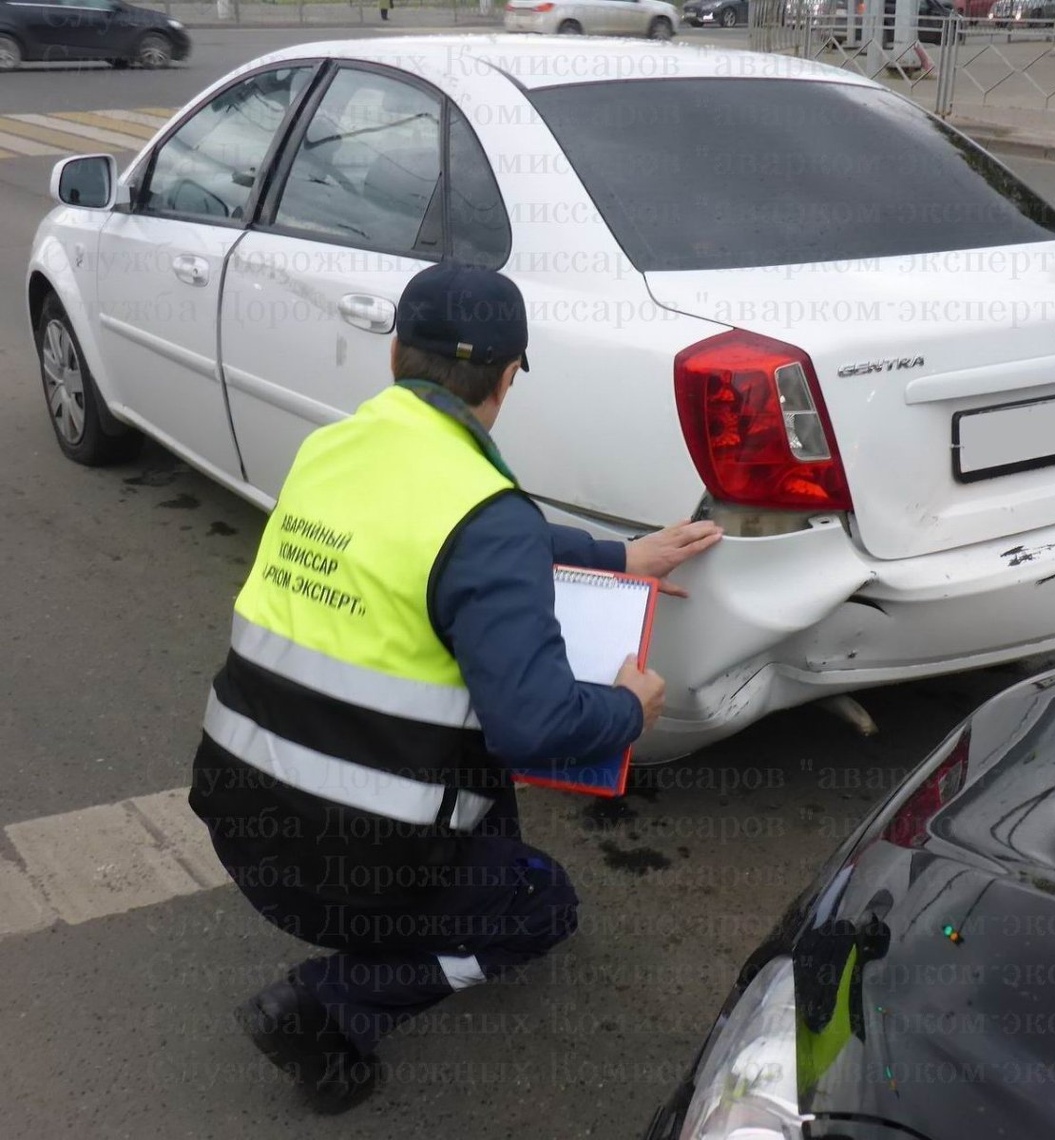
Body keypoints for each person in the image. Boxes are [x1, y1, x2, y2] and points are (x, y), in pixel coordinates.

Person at [188, 262, 723, 1114]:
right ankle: (331, 1002)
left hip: (237, 821)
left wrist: (621, 557)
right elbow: (534, 727)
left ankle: (433, 890)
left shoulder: (331, 452)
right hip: (339, 872)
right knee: (543, 907)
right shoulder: (485, 512)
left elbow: (460, 532)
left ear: (395, 351)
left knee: (479, 792)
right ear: (509, 378)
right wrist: (631, 709)